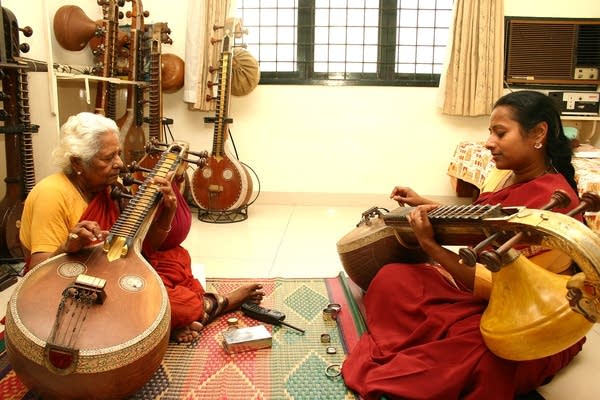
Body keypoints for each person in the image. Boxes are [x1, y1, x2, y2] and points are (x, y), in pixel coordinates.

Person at [341, 90, 586, 399]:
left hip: (529, 315)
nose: (489, 143)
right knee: (392, 278)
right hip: (483, 296)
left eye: (500, 133)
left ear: (538, 133)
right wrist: (426, 205)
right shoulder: (508, 176)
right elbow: (481, 226)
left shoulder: (555, 204)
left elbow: (499, 285)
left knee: (483, 358)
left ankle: (433, 347)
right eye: (490, 132)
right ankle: (433, 337)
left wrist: (431, 247)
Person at [18, 112, 264, 344]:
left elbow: (145, 249)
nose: (119, 163)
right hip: (73, 289)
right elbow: (38, 273)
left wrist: (167, 210)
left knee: (175, 259)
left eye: (118, 154)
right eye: (108, 158)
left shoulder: (106, 187)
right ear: (78, 163)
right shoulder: (51, 194)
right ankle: (213, 304)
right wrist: (69, 246)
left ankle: (165, 323)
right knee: (174, 306)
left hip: (111, 270)